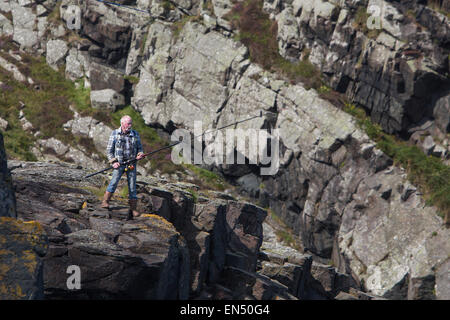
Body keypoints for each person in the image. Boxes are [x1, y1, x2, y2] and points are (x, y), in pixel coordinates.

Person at [101, 115, 145, 217]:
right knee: (113, 183)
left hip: (131, 164)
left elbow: (140, 149)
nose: (130, 125)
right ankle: (105, 202)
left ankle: (133, 210)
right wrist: (113, 162)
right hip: (119, 164)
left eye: (131, 123)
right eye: (128, 123)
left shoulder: (135, 134)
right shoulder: (114, 134)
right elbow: (109, 151)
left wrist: (139, 155)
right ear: (122, 123)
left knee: (132, 187)